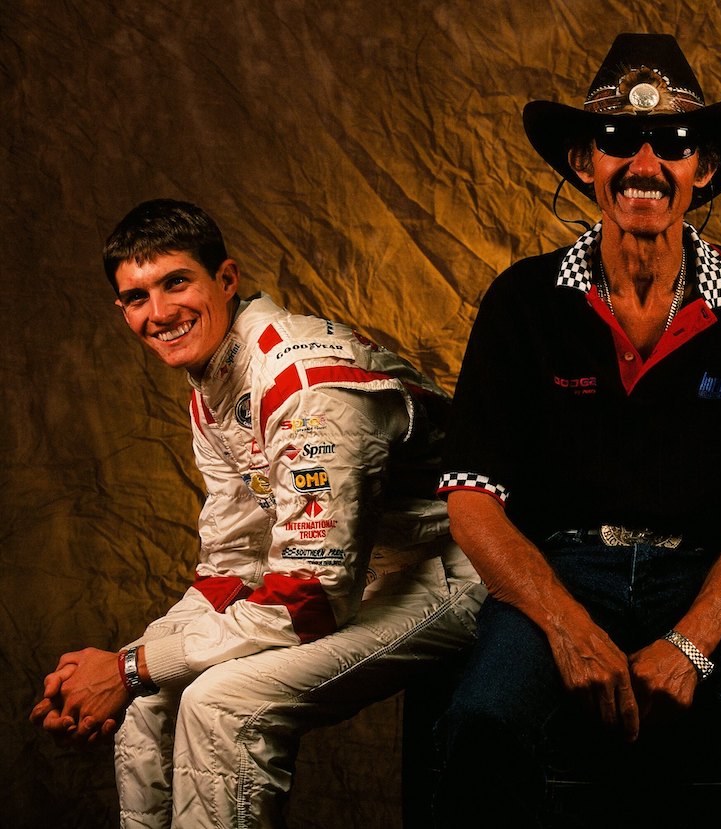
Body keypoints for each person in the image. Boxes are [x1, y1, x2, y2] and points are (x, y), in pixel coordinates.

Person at [432, 33, 721, 827]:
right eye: (616, 141)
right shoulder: (524, 299)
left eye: (671, 143)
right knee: (479, 723)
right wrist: (568, 628)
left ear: (701, 168)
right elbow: (472, 501)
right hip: (562, 567)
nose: (644, 164)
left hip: (713, 575)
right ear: (582, 161)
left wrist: (694, 642)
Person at [29, 199, 485, 828]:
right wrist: (120, 669)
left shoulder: (304, 388)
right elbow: (232, 562)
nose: (158, 314)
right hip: (354, 569)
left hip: (453, 566)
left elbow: (310, 596)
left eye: (176, 282)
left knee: (220, 703)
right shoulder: (216, 378)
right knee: (147, 697)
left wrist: (128, 667)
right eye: (136, 297)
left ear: (227, 278)